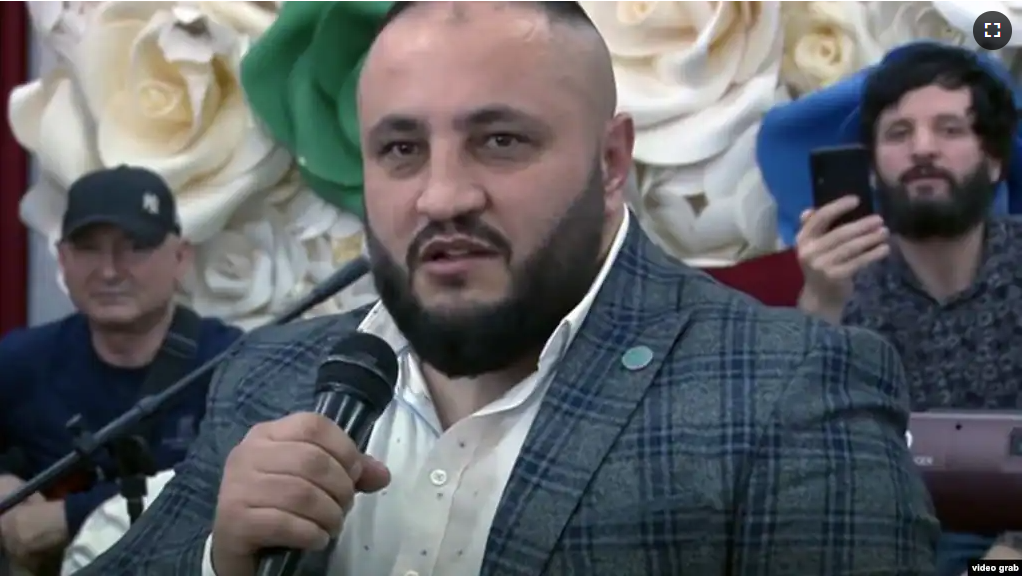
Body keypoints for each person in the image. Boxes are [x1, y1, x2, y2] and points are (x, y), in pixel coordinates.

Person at [80, 2, 938, 575]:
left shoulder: (789, 385)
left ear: (609, 163)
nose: (442, 196)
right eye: (401, 150)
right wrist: (220, 564)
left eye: (499, 141)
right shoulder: (269, 377)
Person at [794, 44, 1021, 574]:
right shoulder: (840, 278)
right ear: (872, 169)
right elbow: (791, 453)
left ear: (992, 162)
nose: (923, 149)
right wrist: (821, 301)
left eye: (950, 129)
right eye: (898, 134)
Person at [0, 166, 242, 573]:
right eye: (89, 249)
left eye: (136, 247)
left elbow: (230, 489)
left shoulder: (232, 364)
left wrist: (70, 517)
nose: (110, 271)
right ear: (63, 258)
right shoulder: (20, 360)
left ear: (180, 257)